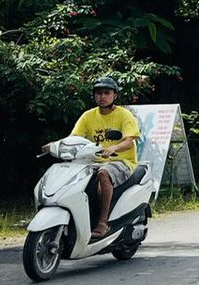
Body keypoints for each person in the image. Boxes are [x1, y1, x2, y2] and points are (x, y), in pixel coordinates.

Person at [58, 77, 142, 239]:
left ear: (114, 96)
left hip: (121, 161)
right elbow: (74, 137)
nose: (102, 96)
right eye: (98, 93)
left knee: (104, 173)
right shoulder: (88, 116)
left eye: (106, 93)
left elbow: (129, 141)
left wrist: (113, 148)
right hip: (91, 161)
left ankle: (103, 223)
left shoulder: (124, 115)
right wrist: (56, 145)